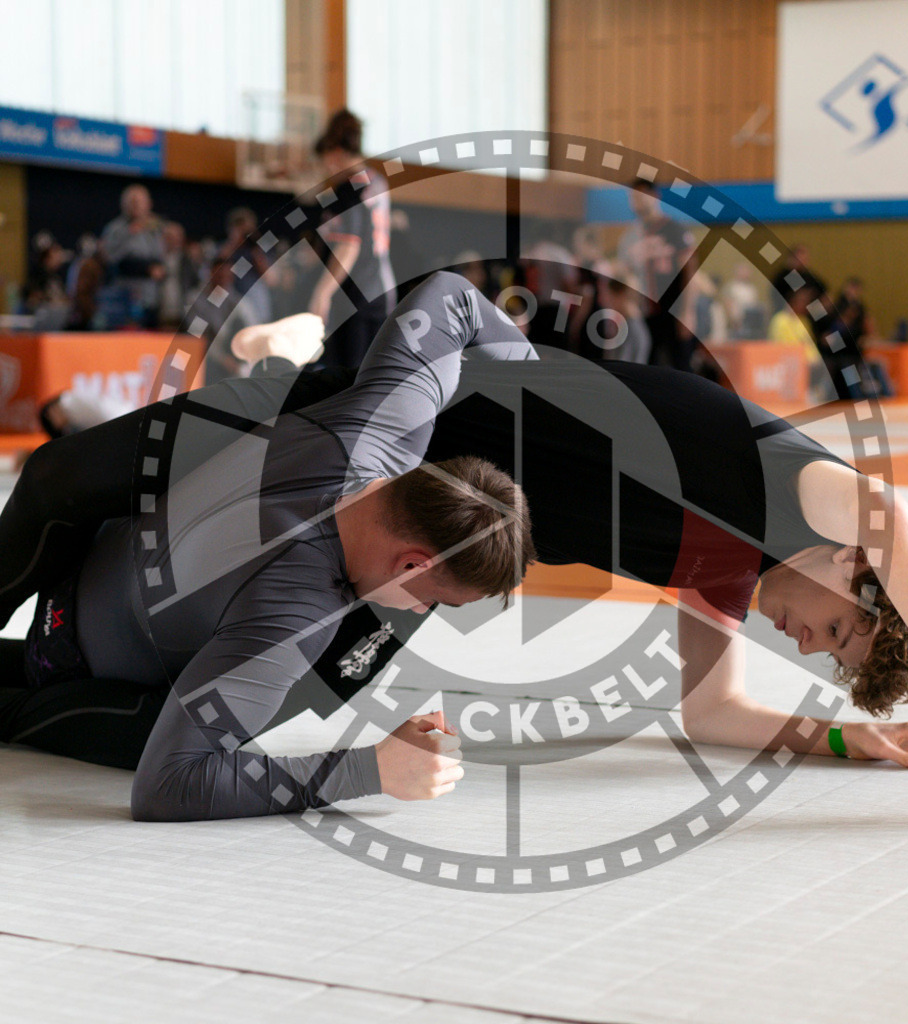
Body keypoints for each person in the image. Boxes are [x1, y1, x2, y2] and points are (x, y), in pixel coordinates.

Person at [5, 278, 908, 792]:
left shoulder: (728, 566)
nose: (810, 646)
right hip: (387, 412)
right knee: (68, 482)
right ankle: (299, 346)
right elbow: (892, 524)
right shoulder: (793, 487)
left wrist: (841, 734)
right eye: (842, 634)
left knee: (233, 722)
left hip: (441, 532)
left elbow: (712, 707)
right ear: (853, 570)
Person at [0, 273, 537, 821]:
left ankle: (278, 359)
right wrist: (372, 768)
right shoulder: (295, 613)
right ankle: (276, 358)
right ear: (412, 565)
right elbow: (166, 783)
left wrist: (544, 387)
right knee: (158, 735)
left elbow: (453, 296)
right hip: (62, 663)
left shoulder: (385, 425)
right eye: (435, 600)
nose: (422, 612)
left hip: (78, 550)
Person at [309, 109, 397, 368]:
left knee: (347, 381)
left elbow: (349, 245)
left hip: (356, 297)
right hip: (380, 289)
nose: (325, 167)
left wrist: (321, 293)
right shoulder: (376, 180)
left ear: (334, 152)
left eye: (325, 159)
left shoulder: (349, 188)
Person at [617, 178, 694, 368]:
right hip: (647, 311)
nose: (636, 201)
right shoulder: (631, 237)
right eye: (633, 197)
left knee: (680, 366)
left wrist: (687, 311)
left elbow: (690, 273)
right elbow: (627, 275)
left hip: (673, 308)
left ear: (654, 197)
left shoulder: (674, 230)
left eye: (640, 196)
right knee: (649, 365)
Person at [99, 184, 166, 328]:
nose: (136, 206)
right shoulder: (115, 229)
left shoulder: (154, 229)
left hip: (151, 297)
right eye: (132, 202)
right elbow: (110, 258)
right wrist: (130, 233)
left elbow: (161, 256)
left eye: (140, 202)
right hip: (124, 298)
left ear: (148, 204)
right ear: (124, 205)